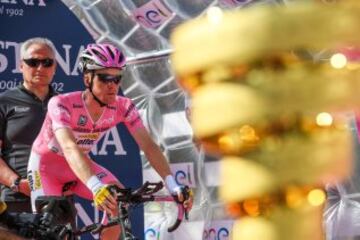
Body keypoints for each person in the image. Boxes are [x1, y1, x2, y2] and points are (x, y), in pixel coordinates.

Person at [27, 43, 193, 240]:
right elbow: (69, 147)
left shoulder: (123, 106)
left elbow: (148, 146)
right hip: (45, 169)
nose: (112, 85)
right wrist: (97, 187)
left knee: (119, 203)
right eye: (105, 78)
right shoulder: (62, 104)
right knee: (48, 232)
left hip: (79, 165)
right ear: (87, 78)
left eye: (117, 78)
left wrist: (173, 184)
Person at [0, 37, 57, 213]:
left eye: (47, 62)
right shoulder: (4, 101)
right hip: (16, 198)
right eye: (33, 62)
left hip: (57, 199)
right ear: (21, 66)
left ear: (54, 67)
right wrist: (16, 183)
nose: (40, 68)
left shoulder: (64, 103)